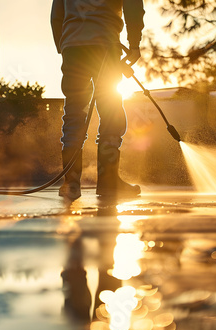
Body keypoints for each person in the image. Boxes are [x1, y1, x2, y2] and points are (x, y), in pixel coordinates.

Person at [51, 0, 145, 200]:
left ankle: (71, 183)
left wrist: (65, 45)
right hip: (105, 44)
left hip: (73, 46)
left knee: (74, 112)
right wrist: (134, 44)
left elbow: (56, 14)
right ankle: (109, 182)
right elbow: (132, 5)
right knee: (111, 112)